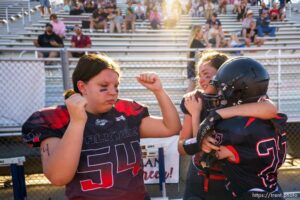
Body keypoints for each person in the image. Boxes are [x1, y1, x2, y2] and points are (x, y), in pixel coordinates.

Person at [22, 54, 181, 200]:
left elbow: (171, 127)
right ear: (82, 87)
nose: (113, 92)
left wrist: (158, 91)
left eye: (116, 86)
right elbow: (58, 177)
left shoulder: (126, 112)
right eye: (104, 86)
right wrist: (77, 122)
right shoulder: (59, 118)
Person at [178, 51, 278, 200]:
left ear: (224, 75)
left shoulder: (241, 96)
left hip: (230, 181)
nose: (202, 80)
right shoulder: (194, 100)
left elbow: (271, 109)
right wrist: (196, 115)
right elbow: (182, 148)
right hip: (198, 178)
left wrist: (220, 113)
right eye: (200, 76)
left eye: (207, 75)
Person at [186, 26, 206, 92]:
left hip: (193, 67)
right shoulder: (196, 42)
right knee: (191, 88)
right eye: (201, 31)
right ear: (197, 33)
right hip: (193, 68)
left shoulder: (195, 42)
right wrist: (206, 40)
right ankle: (185, 102)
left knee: (194, 88)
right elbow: (209, 50)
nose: (203, 33)